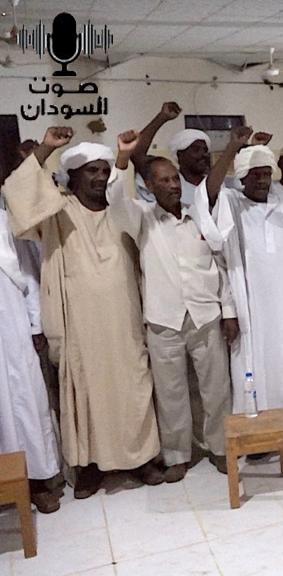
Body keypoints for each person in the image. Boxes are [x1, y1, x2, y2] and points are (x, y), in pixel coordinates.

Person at [3, 127, 162, 498]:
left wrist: (122, 157)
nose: (100, 177)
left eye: (104, 171)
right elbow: (17, 192)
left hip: (124, 320)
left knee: (133, 385)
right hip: (80, 325)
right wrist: (46, 148)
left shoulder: (122, 210)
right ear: (72, 176)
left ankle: (140, 458)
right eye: (91, 171)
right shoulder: (57, 212)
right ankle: (88, 467)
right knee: (86, 394)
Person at [107, 131, 236, 481]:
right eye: (163, 180)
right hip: (164, 321)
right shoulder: (141, 219)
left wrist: (228, 311)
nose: (172, 185)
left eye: (175, 179)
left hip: (205, 317)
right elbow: (115, 200)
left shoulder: (199, 217)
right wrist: (123, 158)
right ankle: (177, 454)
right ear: (149, 186)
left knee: (216, 390)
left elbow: (220, 268)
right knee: (171, 393)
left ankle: (221, 448)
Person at [193, 126, 283, 454]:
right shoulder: (231, 204)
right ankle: (260, 433)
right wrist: (232, 148)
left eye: (266, 174)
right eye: (255, 175)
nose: (262, 180)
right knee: (256, 370)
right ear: (242, 177)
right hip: (251, 306)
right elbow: (208, 193)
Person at [0, 165, 62, 513]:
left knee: (25, 405)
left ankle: (36, 481)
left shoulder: (7, 221)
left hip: (13, 333)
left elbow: (28, 275)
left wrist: (37, 325)